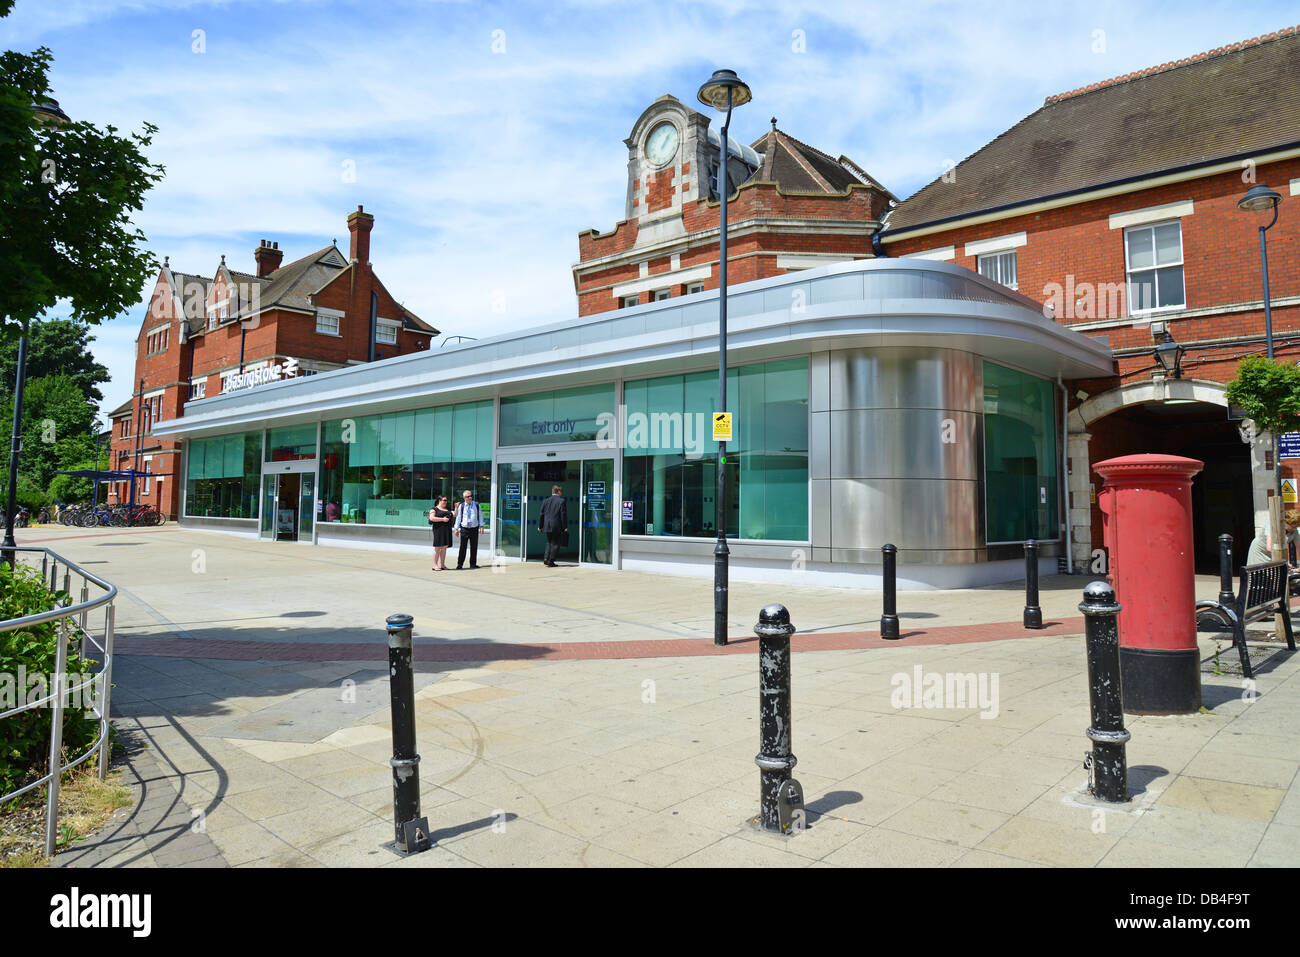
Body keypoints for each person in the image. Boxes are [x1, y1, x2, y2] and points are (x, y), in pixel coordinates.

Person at [538, 484, 568, 567]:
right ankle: (551, 560)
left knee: (549, 542)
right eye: (561, 491)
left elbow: (541, 514)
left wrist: (540, 526)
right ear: (558, 492)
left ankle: (546, 558)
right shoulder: (561, 501)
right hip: (556, 525)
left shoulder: (545, 501)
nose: (561, 493)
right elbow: (563, 515)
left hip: (547, 525)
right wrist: (565, 526)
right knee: (556, 543)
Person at [453, 489, 482, 569]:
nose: (470, 498)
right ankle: (460, 564)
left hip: (474, 528)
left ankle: (473, 564)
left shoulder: (476, 505)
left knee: (474, 547)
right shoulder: (461, 506)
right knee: (463, 547)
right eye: (468, 496)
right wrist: (456, 528)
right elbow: (458, 518)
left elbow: (480, 516)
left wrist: (481, 526)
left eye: (471, 496)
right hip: (464, 529)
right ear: (464, 498)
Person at [428, 495, 453, 571]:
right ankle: (435, 565)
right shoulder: (434, 509)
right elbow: (431, 518)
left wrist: (457, 507)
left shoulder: (447, 509)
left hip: (446, 530)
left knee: (444, 547)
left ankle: (442, 565)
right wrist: (442, 519)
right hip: (438, 530)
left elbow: (455, 514)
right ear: (439, 500)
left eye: (446, 500)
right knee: (437, 547)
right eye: (444, 500)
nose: (446, 502)